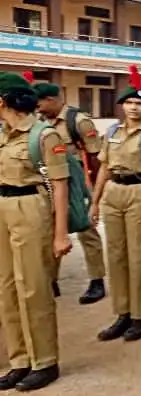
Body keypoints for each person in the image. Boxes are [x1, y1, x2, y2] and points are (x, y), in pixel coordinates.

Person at [0, 72, 72, 392]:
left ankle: (44, 361)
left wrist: (60, 234)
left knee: (33, 288)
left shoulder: (43, 135)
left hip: (31, 208)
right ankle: (19, 360)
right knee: (7, 288)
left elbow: (59, 186)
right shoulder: (2, 134)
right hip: (3, 208)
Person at [91, 66, 141, 343]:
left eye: (140, 103)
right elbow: (103, 167)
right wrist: (95, 201)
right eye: (130, 103)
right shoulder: (112, 131)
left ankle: (139, 315)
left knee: (140, 256)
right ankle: (121, 312)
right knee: (116, 255)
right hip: (113, 191)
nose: (134, 108)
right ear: (122, 106)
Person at [33, 80, 106, 304]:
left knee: (86, 229)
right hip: (52, 180)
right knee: (54, 227)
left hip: (79, 180)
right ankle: (51, 280)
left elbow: (96, 157)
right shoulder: (41, 121)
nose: (37, 108)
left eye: (40, 103)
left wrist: (93, 193)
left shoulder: (78, 121)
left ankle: (97, 280)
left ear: (52, 100)